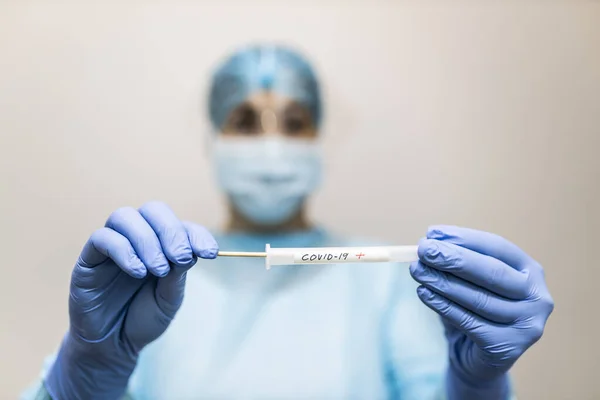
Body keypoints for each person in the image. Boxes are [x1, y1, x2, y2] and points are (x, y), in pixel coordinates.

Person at [21, 44, 554, 400]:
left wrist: (475, 385)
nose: (271, 144)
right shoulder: (151, 283)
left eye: (294, 122)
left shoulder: (385, 280)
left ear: (318, 139)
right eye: (245, 121)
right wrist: (81, 375)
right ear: (214, 140)